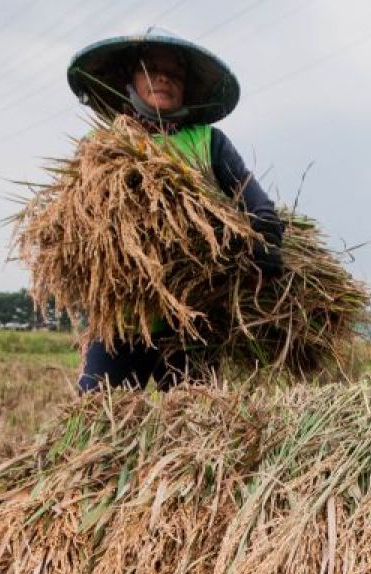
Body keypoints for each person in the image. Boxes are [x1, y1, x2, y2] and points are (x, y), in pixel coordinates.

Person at [67, 28, 285, 392]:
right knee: (94, 422)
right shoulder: (101, 146)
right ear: (130, 80)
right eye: (152, 69)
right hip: (119, 321)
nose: (164, 77)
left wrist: (263, 241)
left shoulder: (207, 141)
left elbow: (256, 203)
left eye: (175, 73)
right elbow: (73, 223)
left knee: (200, 427)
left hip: (193, 317)